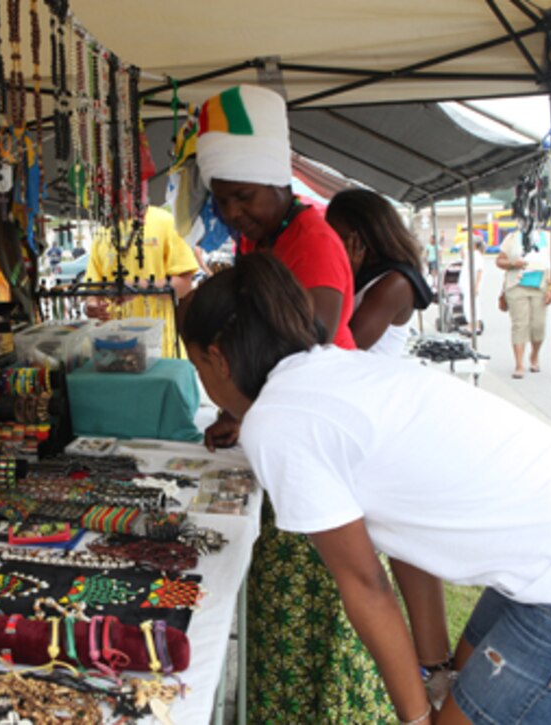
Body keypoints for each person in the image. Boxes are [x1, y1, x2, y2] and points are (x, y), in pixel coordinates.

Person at [184, 252, 551, 725]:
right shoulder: (336, 370)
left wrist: (415, 719)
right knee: (455, 686)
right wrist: (433, 672)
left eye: (198, 369)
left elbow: (365, 586)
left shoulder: (276, 420)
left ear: (219, 359)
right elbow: (404, 528)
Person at [195, 85, 392, 723]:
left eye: (242, 197)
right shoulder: (263, 239)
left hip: (314, 441)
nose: (230, 212)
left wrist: (246, 408)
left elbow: (296, 344)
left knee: (329, 598)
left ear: (278, 183)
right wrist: (237, 413)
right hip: (290, 433)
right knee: (291, 608)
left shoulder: (311, 240)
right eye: (221, 199)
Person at [325, 189, 432, 355]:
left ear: (362, 239)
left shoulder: (395, 284)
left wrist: (347, 276)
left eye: (340, 238)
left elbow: (348, 347)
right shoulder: (367, 273)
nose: (332, 245)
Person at [85, 205, 198, 357]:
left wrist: (139, 287)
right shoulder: (102, 232)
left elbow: (184, 285)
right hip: (112, 350)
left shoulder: (165, 221)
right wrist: (91, 306)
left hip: (160, 349)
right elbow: (93, 291)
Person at [497, 228, 551, 378]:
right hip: (517, 285)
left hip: (540, 285)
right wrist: (513, 263)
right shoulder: (513, 237)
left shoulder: (547, 237)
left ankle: (534, 355)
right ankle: (519, 364)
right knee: (520, 324)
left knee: (538, 325)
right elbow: (500, 260)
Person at [458, 238, 484, 333]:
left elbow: (479, 271)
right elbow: (463, 257)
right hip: (466, 284)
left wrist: (476, 286)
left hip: (472, 284)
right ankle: (472, 325)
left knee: (471, 305)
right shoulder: (470, 254)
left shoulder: (477, 256)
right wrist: (461, 248)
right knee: (469, 304)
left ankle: (473, 325)